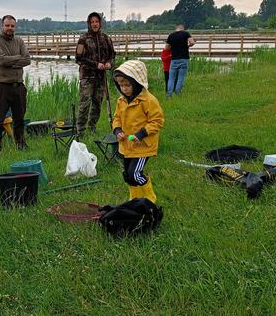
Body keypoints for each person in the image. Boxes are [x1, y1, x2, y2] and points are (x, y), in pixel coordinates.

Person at [112, 60, 164, 202]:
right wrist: (117, 130)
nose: (124, 89)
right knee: (127, 175)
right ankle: (135, 197)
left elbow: (157, 121)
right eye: (121, 85)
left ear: (137, 82)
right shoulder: (121, 101)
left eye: (127, 85)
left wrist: (141, 134)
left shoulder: (148, 100)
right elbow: (116, 118)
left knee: (135, 173)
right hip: (126, 145)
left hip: (143, 146)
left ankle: (149, 197)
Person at [0, 15, 31, 157]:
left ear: (15, 27)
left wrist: (11, 61)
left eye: (12, 26)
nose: (10, 28)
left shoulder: (19, 41)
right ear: (2, 26)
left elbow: (27, 60)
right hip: (2, 87)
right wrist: (17, 58)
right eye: (7, 25)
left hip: (18, 86)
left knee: (19, 119)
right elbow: (1, 60)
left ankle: (21, 145)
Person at [75, 12, 116, 138]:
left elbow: (112, 55)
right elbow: (78, 58)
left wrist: (109, 63)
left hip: (101, 77)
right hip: (87, 77)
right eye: (92, 22)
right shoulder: (83, 39)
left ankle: (92, 128)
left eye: (96, 21)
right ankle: (80, 132)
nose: (94, 24)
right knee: (85, 105)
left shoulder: (106, 38)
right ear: (89, 23)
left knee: (98, 104)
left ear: (100, 23)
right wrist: (95, 64)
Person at [165, 23, 196, 97]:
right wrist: (187, 46)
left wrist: (173, 47)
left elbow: (166, 48)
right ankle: (177, 93)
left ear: (176, 28)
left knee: (171, 78)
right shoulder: (186, 33)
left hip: (174, 59)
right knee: (181, 77)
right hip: (184, 58)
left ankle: (169, 94)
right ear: (182, 28)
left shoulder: (171, 35)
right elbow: (192, 42)